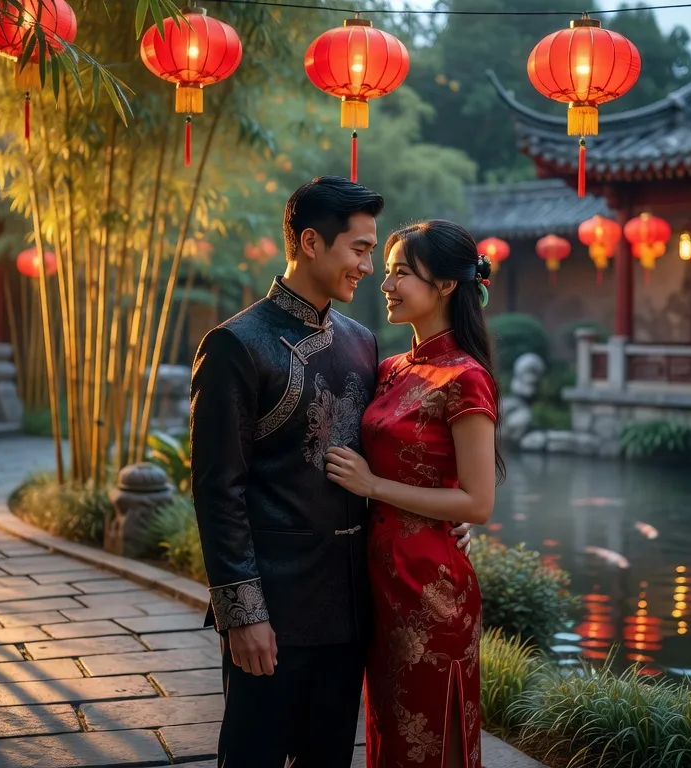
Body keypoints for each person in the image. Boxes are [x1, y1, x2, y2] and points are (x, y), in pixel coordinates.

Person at [189, 178, 472, 767]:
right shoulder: (236, 346)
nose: (370, 267)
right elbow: (219, 492)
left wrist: (442, 514)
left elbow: (402, 452)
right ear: (311, 242)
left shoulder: (363, 343)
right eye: (361, 249)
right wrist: (244, 615)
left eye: (373, 252)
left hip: (352, 612)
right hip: (275, 611)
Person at [325, 219, 502, 768]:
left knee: (429, 739)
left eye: (402, 273)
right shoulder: (389, 369)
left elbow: (478, 503)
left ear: (447, 285)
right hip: (380, 579)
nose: (386, 283)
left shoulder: (466, 379)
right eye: (388, 270)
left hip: (430, 587)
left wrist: (374, 486)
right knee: (389, 733)